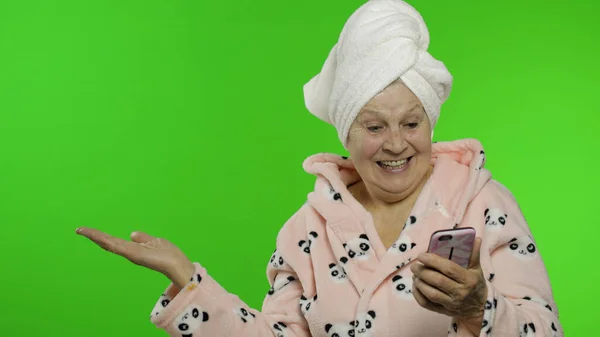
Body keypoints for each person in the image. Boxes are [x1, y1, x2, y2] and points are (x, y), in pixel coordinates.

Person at [76, 0, 563, 336]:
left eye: (412, 122)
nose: (397, 143)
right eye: (374, 127)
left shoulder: (483, 204)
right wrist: (188, 281)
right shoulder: (308, 230)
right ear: (346, 136)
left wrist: (479, 307)